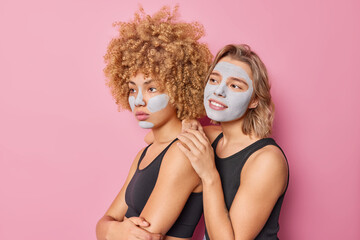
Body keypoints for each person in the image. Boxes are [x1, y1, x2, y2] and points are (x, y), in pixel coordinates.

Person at [96, 6, 212, 240]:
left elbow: (143, 237)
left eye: (151, 88)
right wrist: (111, 230)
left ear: (179, 89)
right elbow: (103, 223)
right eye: (131, 89)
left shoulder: (184, 150)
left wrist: (111, 230)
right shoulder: (144, 154)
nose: (138, 100)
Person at [177, 44, 289, 240]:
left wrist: (209, 174)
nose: (218, 91)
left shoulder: (266, 161)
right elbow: (154, 138)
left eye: (235, 85)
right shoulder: (211, 137)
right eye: (213, 80)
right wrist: (187, 121)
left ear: (254, 100)